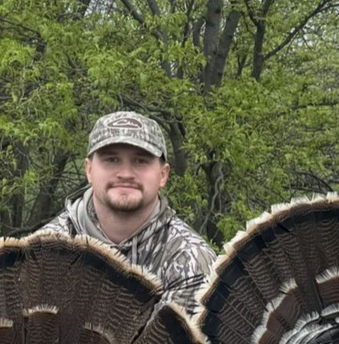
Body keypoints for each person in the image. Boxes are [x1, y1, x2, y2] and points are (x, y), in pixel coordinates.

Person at [41, 111, 217, 309]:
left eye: (140, 161)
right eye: (112, 160)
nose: (125, 174)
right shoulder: (46, 248)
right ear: (89, 170)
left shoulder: (192, 260)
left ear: (163, 174)